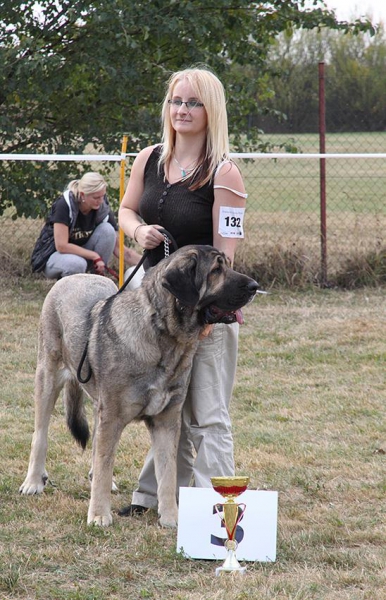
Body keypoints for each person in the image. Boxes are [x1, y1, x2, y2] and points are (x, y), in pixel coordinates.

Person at [118, 66, 248, 516]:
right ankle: (152, 497)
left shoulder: (225, 173)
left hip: (202, 315)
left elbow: (225, 257)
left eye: (193, 102)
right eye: (176, 101)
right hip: (151, 312)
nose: (182, 110)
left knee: (207, 414)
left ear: (211, 110)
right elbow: (126, 210)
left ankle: (219, 513)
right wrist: (138, 232)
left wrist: (211, 317)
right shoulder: (149, 158)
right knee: (166, 404)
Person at [31, 171, 141, 279]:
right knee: (77, 264)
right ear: (83, 195)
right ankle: (69, 287)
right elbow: (61, 246)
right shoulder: (64, 205)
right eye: (96, 197)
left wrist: (148, 264)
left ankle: (95, 278)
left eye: (103, 196)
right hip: (54, 256)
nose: (101, 201)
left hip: (83, 256)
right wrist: (95, 256)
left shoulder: (102, 207)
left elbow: (119, 249)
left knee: (108, 230)